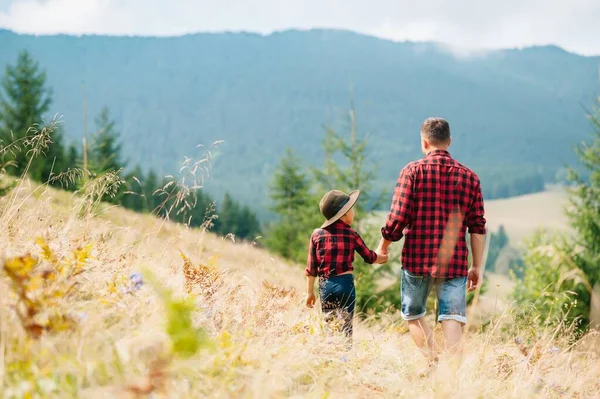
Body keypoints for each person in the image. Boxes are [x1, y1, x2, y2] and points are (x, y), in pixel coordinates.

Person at [376, 117, 486, 362]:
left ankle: (434, 362)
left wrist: (383, 247)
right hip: (455, 263)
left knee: (413, 314)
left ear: (424, 142)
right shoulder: (470, 177)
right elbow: (477, 226)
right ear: (449, 141)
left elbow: (397, 217)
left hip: (416, 261)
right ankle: (452, 375)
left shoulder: (412, 171)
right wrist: (476, 266)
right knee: (452, 317)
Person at [305, 189, 388, 340]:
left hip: (325, 285)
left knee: (329, 323)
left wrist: (309, 293)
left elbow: (311, 269)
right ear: (343, 214)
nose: (353, 212)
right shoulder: (351, 234)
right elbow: (369, 257)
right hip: (345, 284)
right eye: (351, 209)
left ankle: (331, 354)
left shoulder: (316, 234)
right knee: (346, 326)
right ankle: (345, 357)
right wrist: (382, 257)